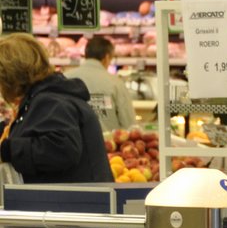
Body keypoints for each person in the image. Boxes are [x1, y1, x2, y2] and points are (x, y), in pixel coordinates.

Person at [0, 33, 114, 184]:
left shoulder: (51, 101)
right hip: (82, 202)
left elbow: (62, 148)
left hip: (75, 204)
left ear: (11, 76)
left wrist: (8, 150)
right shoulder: (51, 97)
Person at [65, 35, 137, 133]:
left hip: (72, 143)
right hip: (107, 145)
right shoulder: (115, 83)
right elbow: (128, 124)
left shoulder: (66, 78)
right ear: (107, 57)